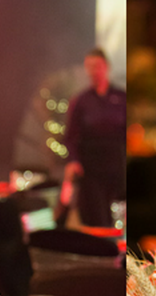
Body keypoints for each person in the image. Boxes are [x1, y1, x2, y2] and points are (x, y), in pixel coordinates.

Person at [64, 48, 126, 228]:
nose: (93, 71)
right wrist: (73, 161)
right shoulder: (81, 101)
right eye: (89, 67)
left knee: (118, 218)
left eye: (97, 66)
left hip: (117, 167)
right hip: (91, 170)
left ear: (106, 67)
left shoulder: (121, 97)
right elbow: (70, 137)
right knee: (98, 219)